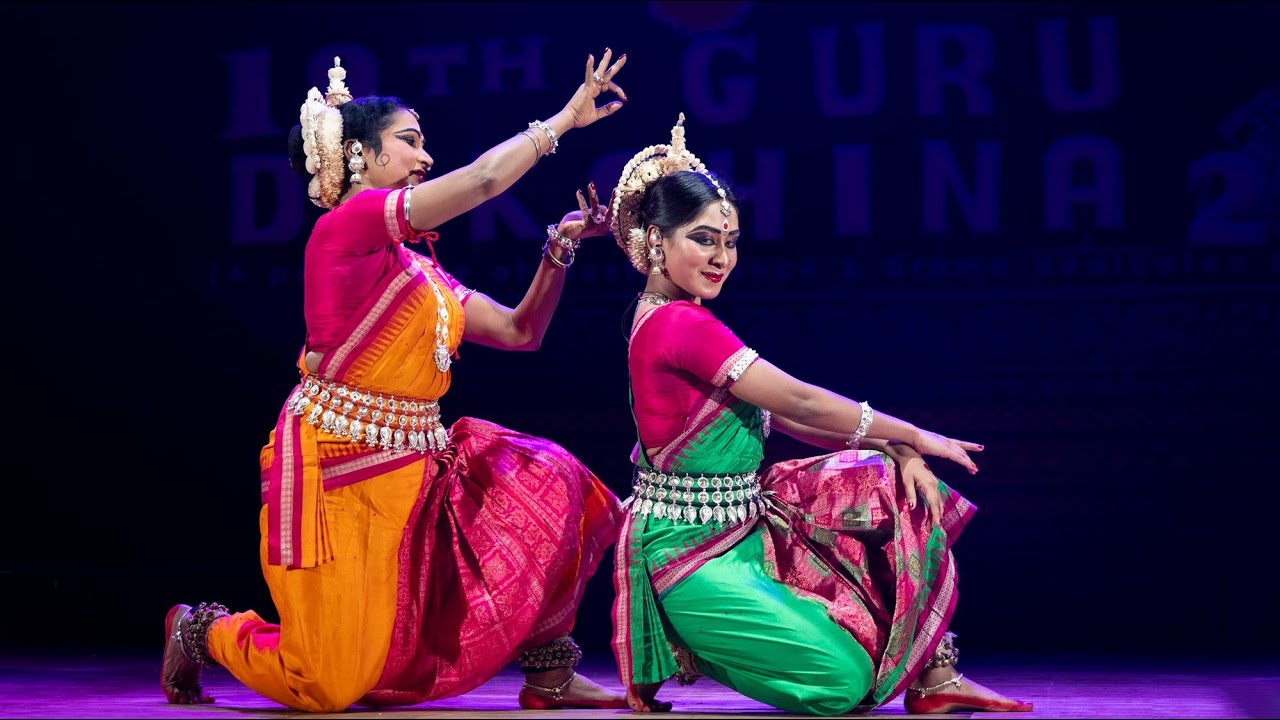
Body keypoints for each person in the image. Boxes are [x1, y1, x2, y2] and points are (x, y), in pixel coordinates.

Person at [160, 51, 633, 712]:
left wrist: (561, 246)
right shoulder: (343, 231)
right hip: (336, 477)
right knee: (326, 686)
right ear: (360, 156)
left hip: (415, 472)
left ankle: (550, 674)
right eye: (409, 142)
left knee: (551, 480)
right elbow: (486, 180)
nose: (425, 157)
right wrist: (565, 120)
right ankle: (203, 629)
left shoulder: (420, 274)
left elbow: (521, 333)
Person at [607, 115, 1035, 715]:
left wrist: (894, 451)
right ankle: (685, 641)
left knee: (886, 479)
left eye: (730, 241)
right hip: (688, 552)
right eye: (703, 239)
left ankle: (935, 679)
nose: (722, 257)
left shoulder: (676, 315)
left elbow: (793, 422)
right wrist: (915, 432)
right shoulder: (678, 324)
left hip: (744, 526)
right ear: (656, 240)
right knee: (840, 685)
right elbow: (801, 401)